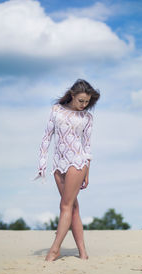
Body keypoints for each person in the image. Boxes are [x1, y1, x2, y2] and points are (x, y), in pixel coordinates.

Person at [33, 79, 100, 261]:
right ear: (72, 95)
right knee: (73, 208)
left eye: (87, 102)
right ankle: (83, 253)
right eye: (81, 101)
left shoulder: (87, 118)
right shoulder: (56, 111)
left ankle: (55, 249)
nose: (84, 105)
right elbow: (46, 137)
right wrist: (42, 164)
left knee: (65, 206)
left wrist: (87, 172)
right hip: (58, 164)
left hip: (76, 163)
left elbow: (87, 147)